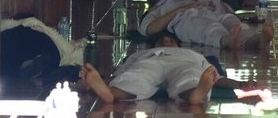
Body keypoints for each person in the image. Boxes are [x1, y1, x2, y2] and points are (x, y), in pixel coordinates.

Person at [79, 32, 261, 104]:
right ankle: (109, 93)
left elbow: (217, 78)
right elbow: (123, 72)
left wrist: (241, 83)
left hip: (183, 64)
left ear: (179, 44)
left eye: (170, 40)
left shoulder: (192, 55)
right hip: (150, 62)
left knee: (190, 76)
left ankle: (197, 94)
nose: (166, 41)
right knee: (135, 77)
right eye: (162, 40)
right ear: (155, 44)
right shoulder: (140, 55)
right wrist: (99, 81)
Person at [139, 0, 274, 50]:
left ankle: (255, 40)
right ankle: (228, 41)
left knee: (232, 22)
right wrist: (182, 9)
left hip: (215, 11)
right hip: (186, 17)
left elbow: (229, 11)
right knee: (205, 26)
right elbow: (146, 28)